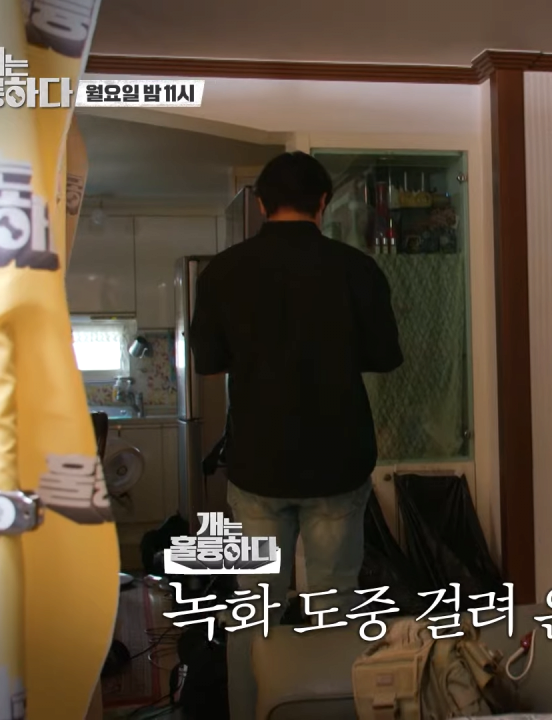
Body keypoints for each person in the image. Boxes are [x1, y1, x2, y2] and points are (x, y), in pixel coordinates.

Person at [189, 150, 403, 719]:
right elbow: (386, 356)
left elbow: (208, 362)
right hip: (338, 461)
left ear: (262, 204)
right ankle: (325, 710)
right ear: (323, 203)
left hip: (258, 464)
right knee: (335, 604)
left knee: (254, 607)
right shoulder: (356, 269)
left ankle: (249, 712)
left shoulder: (223, 272)